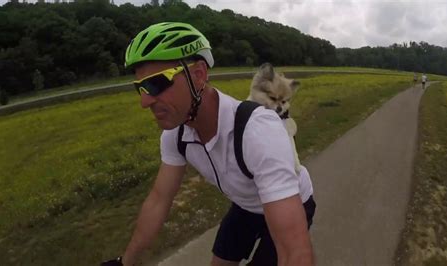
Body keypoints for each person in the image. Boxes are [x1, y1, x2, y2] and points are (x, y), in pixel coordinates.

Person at [102, 22, 316, 266]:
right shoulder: (176, 135)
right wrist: (124, 262)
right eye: (140, 88)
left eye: (156, 83)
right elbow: (159, 199)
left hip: (292, 200)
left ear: (199, 75)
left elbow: (294, 252)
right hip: (245, 204)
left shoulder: (258, 131)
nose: (145, 101)